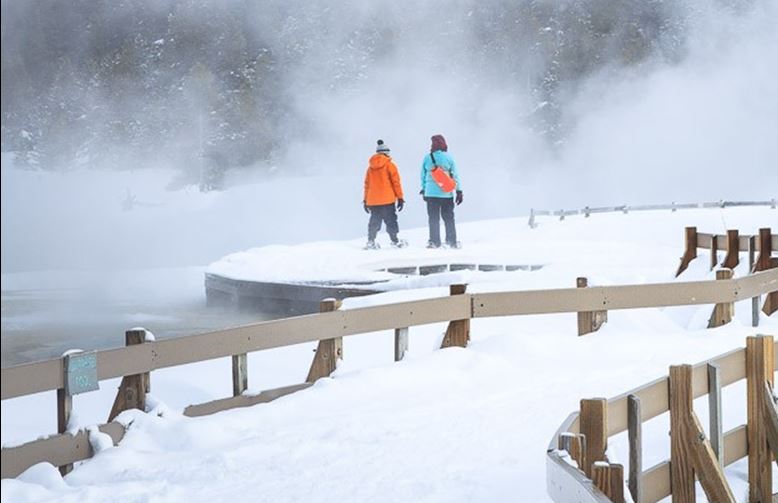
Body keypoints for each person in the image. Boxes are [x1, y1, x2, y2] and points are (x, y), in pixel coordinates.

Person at [420, 134, 463, 248]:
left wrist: (424, 190)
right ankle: (451, 241)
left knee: (433, 218)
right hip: (446, 194)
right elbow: (455, 175)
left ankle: (434, 242)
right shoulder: (449, 157)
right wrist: (459, 191)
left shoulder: (427, 158)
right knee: (448, 218)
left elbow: (422, 176)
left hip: (430, 193)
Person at [363, 139, 406, 249]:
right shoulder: (390, 165)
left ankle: (371, 241)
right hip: (387, 200)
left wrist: (365, 200)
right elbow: (396, 183)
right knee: (391, 220)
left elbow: (367, 185)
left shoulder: (370, 168)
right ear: (386, 153)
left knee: (374, 221)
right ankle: (395, 241)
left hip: (373, 200)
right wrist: (400, 198)